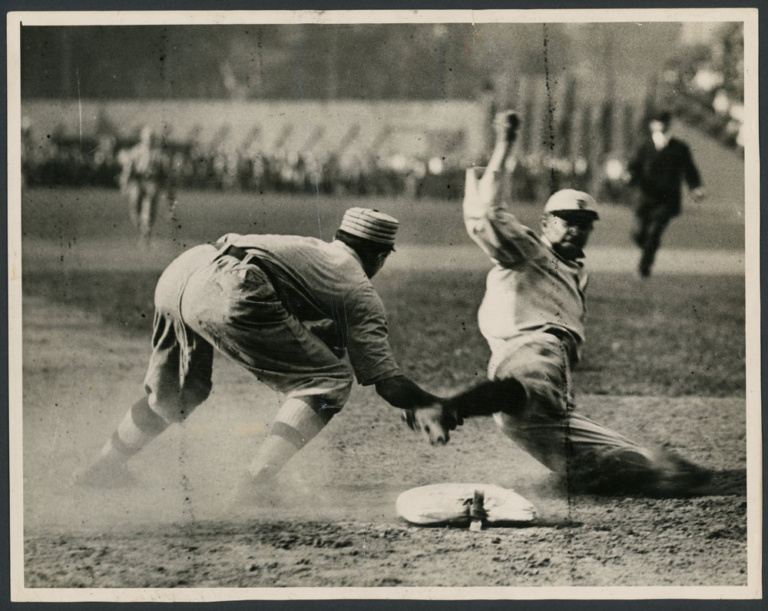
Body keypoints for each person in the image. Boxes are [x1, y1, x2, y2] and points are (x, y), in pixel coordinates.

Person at [77, 208, 455, 498]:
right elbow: (387, 384)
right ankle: (255, 481)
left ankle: (103, 467)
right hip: (233, 284)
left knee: (177, 394)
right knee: (329, 380)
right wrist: (429, 401)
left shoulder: (316, 251)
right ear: (378, 255)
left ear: (342, 237)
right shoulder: (358, 287)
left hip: (183, 269)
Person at [459, 111, 711, 496]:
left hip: (550, 389)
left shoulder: (576, 271)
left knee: (637, 462)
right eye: (566, 219)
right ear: (545, 223)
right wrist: (504, 144)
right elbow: (486, 216)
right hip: (524, 369)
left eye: (584, 222)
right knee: (583, 452)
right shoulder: (528, 252)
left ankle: (628, 470)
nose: (577, 227)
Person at [627, 110, 706, 277]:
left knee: (654, 232)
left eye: (662, 122)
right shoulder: (645, 146)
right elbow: (634, 167)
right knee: (638, 234)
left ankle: (643, 268)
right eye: (656, 122)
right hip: (645, 198)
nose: (659, 126)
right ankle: (650, 246)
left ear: (668, 125)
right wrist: (629, 176)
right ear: (651, 125)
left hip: (667, 201)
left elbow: (689, 170)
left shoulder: (680, 148)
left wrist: (696, 187)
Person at [118, 125, 172, 248]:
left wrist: (167, 188)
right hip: (138, 182)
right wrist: (124, 183)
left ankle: (145, 236)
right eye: (147, 137)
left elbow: (166, 173)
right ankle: (142, 228)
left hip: (152, 182)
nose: (150, 140)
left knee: (149, 210)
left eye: (152, 137)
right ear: (142, 138)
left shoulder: (159, 154)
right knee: (134, 208)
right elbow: (128, 169)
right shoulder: (136, 151)